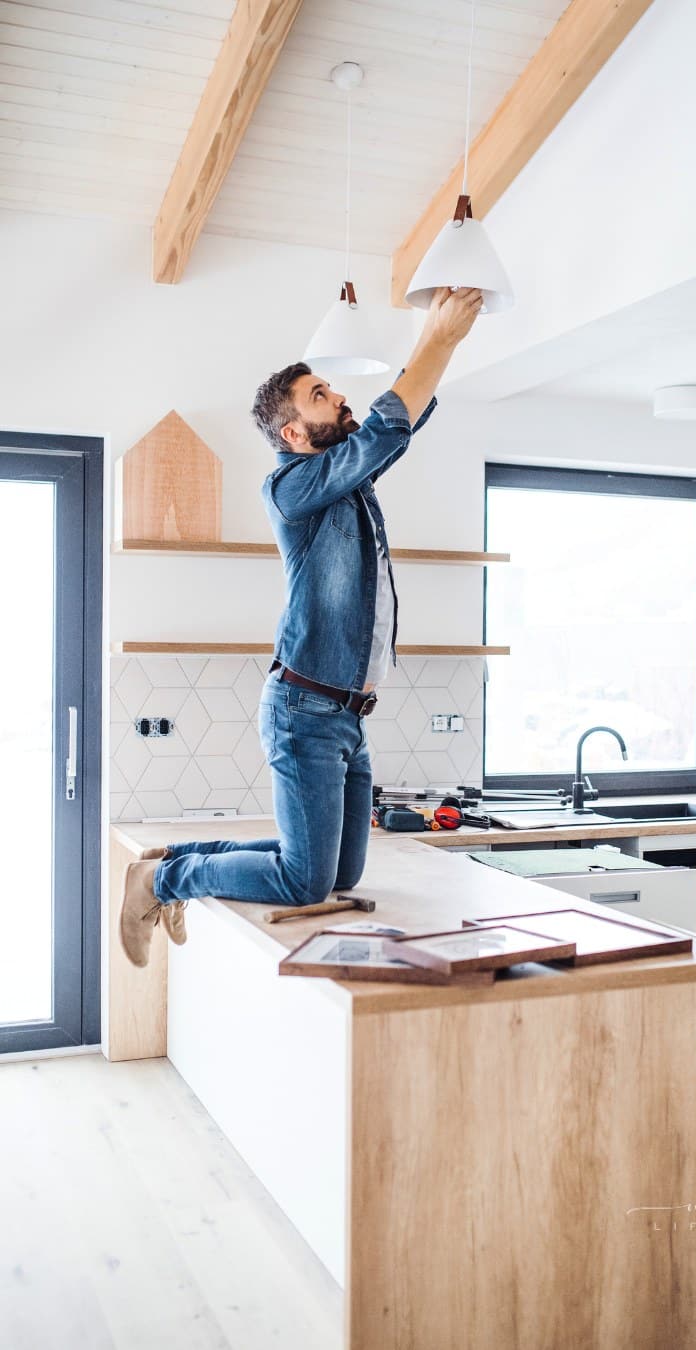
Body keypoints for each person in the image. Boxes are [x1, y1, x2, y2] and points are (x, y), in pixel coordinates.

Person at [118, 286, 483, 968]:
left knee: (338, 877)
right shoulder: (291, 488)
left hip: (347, 716)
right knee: (303, 879)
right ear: (292, 432)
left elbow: (393, 430)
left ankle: (178, 858)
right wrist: (437, 339)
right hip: (304, 711)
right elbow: (382, 430)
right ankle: (164, 880)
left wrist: (441, 351)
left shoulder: (349, 485)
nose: (339, 397)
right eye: (321, 395)